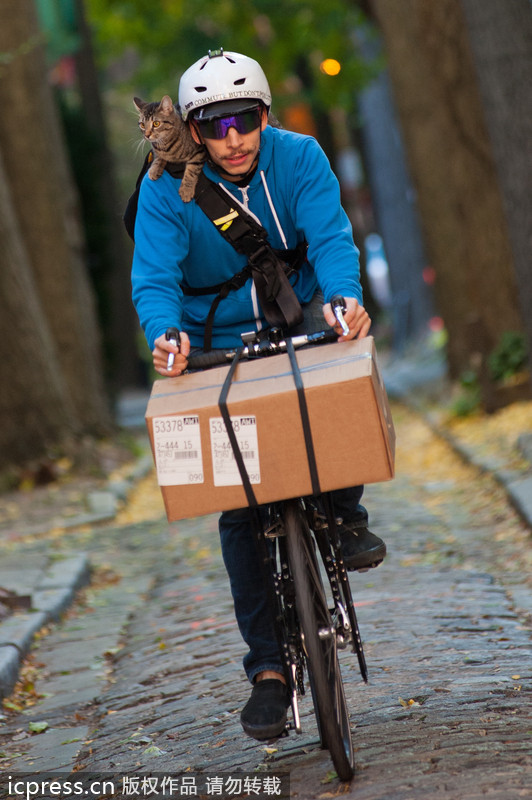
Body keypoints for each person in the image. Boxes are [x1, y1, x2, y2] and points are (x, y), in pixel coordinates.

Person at [131, 49, 387, 742]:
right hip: (211, 337)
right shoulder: (165, 187)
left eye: (244, 120)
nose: (232, 138)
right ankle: (268, 671)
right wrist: (166, 336)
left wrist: (342, 301)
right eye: (214, 127)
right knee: (240, 509)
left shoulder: (299, 157)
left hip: (294, 311)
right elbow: (154, 278)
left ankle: (343, 509)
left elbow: (332, 239)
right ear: (192, 129)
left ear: (265, 115)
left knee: (333, 376)